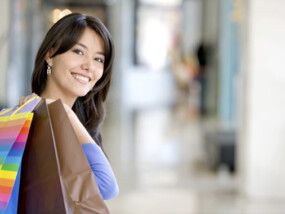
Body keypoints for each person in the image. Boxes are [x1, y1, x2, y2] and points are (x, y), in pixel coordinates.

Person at [8, 13, 119, 212]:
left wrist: (68, 115)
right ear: (49, 55)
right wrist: (65, 114)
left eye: (98, 59)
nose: (89, 66)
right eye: (78, 51)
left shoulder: (77, 124)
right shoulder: (23, 122)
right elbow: (106, 185)